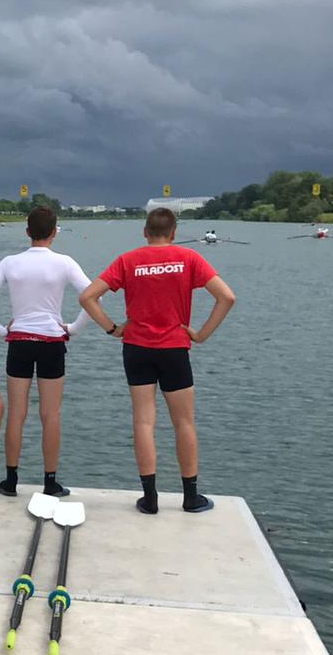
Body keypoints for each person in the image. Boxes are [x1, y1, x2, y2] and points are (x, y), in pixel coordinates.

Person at [78, 207, 235, 515]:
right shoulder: (189, 258)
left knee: (143, 421)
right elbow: (227, 297)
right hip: (174, 348)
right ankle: (190, 497)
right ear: (173, 233)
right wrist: (201, 335)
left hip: (136, 348)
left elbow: (87, 297)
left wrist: (112, 328)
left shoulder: (128, 260)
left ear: (145, 232)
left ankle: (150, 499)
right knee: (184, 422)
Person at [0, 204, 89, 498]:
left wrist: (1, 330)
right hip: (52, 344)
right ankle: (50, 483)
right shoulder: (65, 263)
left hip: (20, 343)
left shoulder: (10, 262)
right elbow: (92, 297)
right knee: (51, 415)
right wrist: (72, 328)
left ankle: (10, 481)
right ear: (54, 233)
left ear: (28, 231)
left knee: (17, 413)